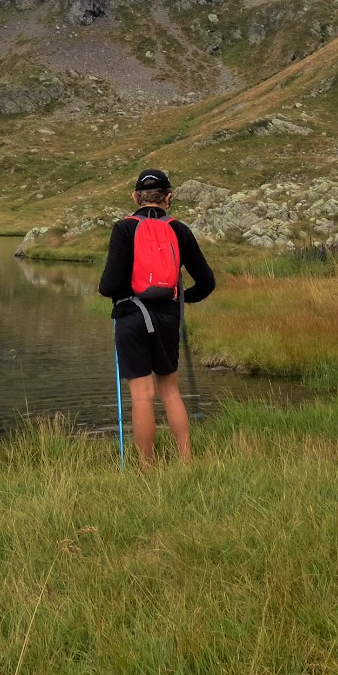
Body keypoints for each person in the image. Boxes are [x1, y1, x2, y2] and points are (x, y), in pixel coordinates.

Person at [99, 168, 215, 467]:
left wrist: (126, 293)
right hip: (167, 317)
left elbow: (108, 286)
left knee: (142, 395)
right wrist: (180, 298)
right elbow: (206, 283)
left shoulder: (124, 228)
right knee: (170, 391)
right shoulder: (180, 230)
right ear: (169, 198)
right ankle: (186, 461)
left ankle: (146, 468)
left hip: (130, 315)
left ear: (135, 197)